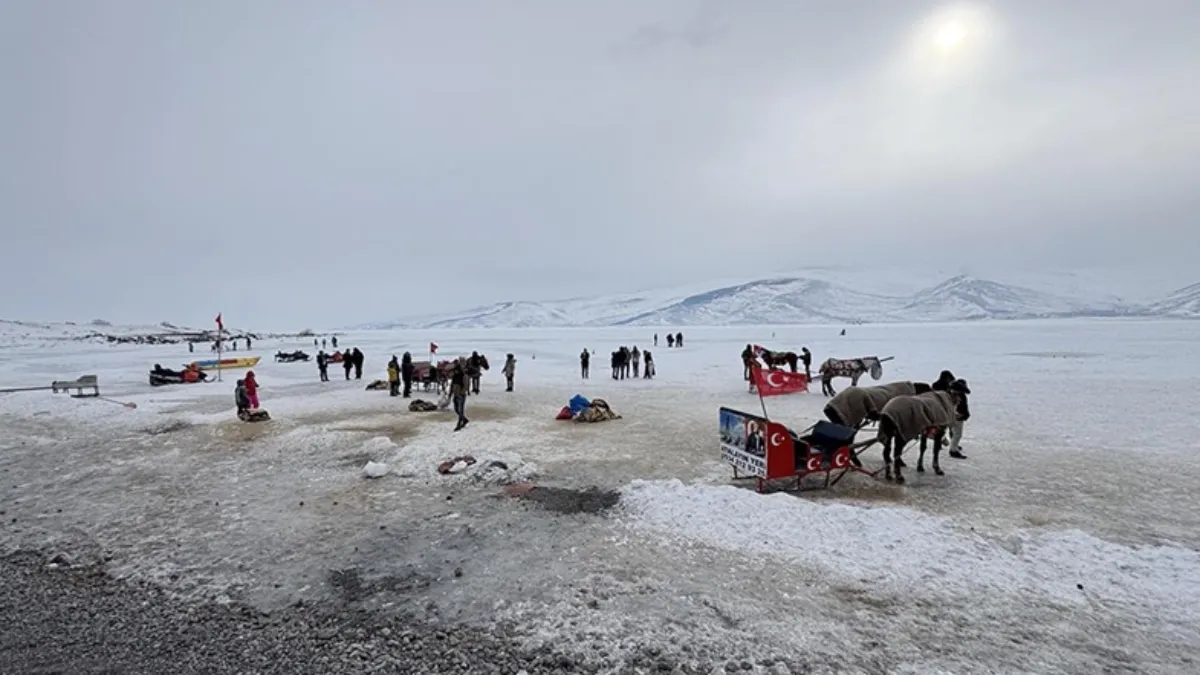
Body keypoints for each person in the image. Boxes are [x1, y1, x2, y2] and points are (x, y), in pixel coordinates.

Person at [449, 361, 470, 431]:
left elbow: (466, 386)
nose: (454, 372)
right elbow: (452, 385)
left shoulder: (464, 376)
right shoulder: (455, 377)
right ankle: (464, 419)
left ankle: (459, 423)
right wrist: (450, 393)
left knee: (461, 410)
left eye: (455, 371)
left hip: (461, 395)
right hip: (456, 394)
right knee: (456, 409)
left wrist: (461, 393)